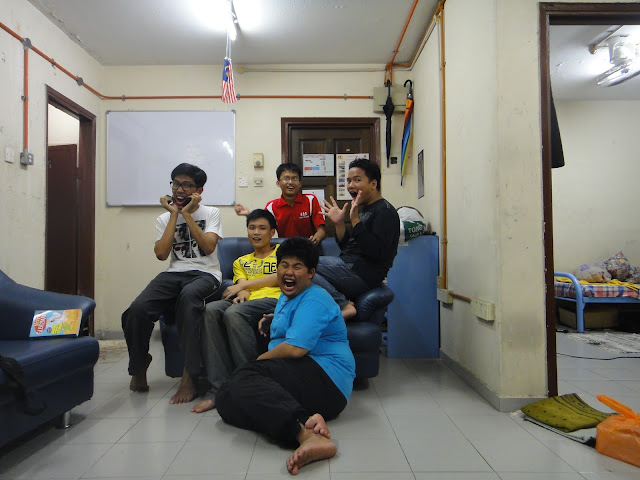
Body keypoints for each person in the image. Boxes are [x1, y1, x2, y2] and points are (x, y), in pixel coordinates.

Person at [215, 237, 355, 475]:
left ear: (311, 273)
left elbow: (295, 349)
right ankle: (306, 419)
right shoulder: (286, 296)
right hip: (300, 372)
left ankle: (306, 434)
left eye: (297, 267)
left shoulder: (316, 297)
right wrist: (270, 320)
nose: (289, 272)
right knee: (225, 398)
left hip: (328, 380)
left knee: (247, 375)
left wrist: (259, 362)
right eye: (284, 265)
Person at [121, 163, 222, 404]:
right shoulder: (164, 218)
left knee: (188, 298)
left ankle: (189, 375)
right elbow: (161, 254)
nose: (179, 189)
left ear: (199, 190)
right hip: (174, 274)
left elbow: (208, 247)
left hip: (205, 274)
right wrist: (174, 214)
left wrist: (186, 214)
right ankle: (139, 364)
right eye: (176, 183)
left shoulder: (211, 213)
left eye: (187, 185)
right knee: (136, 310)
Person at [191, 209, 282, 413]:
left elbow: (280, 277)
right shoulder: (240, 261)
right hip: (249, 302)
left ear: (272, 232)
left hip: (274, 301)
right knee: (211, 310)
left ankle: (251, 382)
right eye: (252, 228)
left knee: (234, 313)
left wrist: (244, 286)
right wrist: (242, 293)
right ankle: (218, 388)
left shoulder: (281, 254)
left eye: (262, 228)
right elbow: (241, 286)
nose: (256, 232)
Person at [313, 158, 400, 320]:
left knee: (304, 266)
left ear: (373, 184)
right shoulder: (365, 208)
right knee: (299, 269)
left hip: (363, 274)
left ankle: (343, 305)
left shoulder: (385, 212)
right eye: (348, 181)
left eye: (357, 180)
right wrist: (339, 223)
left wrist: (354, 220)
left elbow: (377, 252)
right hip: (348, 265)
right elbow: (348, 247)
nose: (351, 185)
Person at [234, 163, 326, 245]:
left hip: (309, 247)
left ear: (300, 184)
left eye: (294, 178)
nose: (290, 182)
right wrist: (248, 215)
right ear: (278, 183)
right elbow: (262, 226)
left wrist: (315, 239)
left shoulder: (310, 200)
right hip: (285, 249)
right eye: (286, 178)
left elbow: (321, 229)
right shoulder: (271, 207)